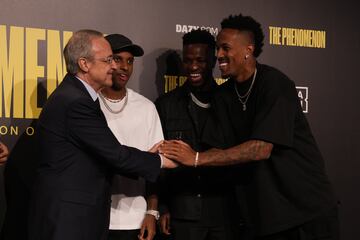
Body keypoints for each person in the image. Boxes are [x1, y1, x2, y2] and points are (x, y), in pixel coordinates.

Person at [160, 14, 339, 240]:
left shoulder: (275, 84)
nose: (218, 55)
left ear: (248, 50)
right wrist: (168, 156)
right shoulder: (224, 94)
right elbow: (216, 149)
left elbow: (260, 149)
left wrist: (195, 158)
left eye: (225, 48)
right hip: (267, 217)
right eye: (217, 49)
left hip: (306, 211)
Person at [27, 29, 175, 240]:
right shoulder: (76, 102)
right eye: (108, 60)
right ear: (84, 64)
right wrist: (161, 160)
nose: (114, 66)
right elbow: (116, 155)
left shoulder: (78, 96)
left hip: (74, 216)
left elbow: (104, 156)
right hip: (68, 220)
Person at [155, 29, 238, 240]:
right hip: (184, 212)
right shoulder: (166, 105)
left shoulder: (231, 100)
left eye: (200, 60)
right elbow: (159, 162)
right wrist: (162, 207)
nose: (193, 67)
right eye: (188, 60)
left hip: (225, 211)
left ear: (212, 60)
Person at [100, 34, 163, 240]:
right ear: (106, 60)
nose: (125, 67)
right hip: (96, 217)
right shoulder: (88, 105)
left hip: (135, 221)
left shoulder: (146, 108)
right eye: (118, 59)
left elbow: (156, 166)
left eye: (130, 61)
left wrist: (152, 212)